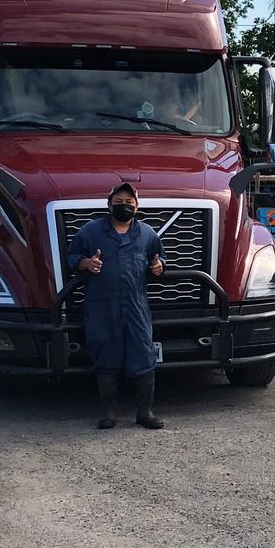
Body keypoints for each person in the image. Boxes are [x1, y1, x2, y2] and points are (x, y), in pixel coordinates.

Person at [66, 182, 167, 430]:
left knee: (143, 355)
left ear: (137, 206)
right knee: (106, 356)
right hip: (102, 306)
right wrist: (85, 264)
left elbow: (159, 259)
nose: (124, 206)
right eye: (119, 202)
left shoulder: (147, 234)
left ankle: (145, 413)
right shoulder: (90, 232)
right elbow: (71, 257)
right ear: (109, 205)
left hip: (136, 307)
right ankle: (109, 413)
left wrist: (159, 267)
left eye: (129, 203)